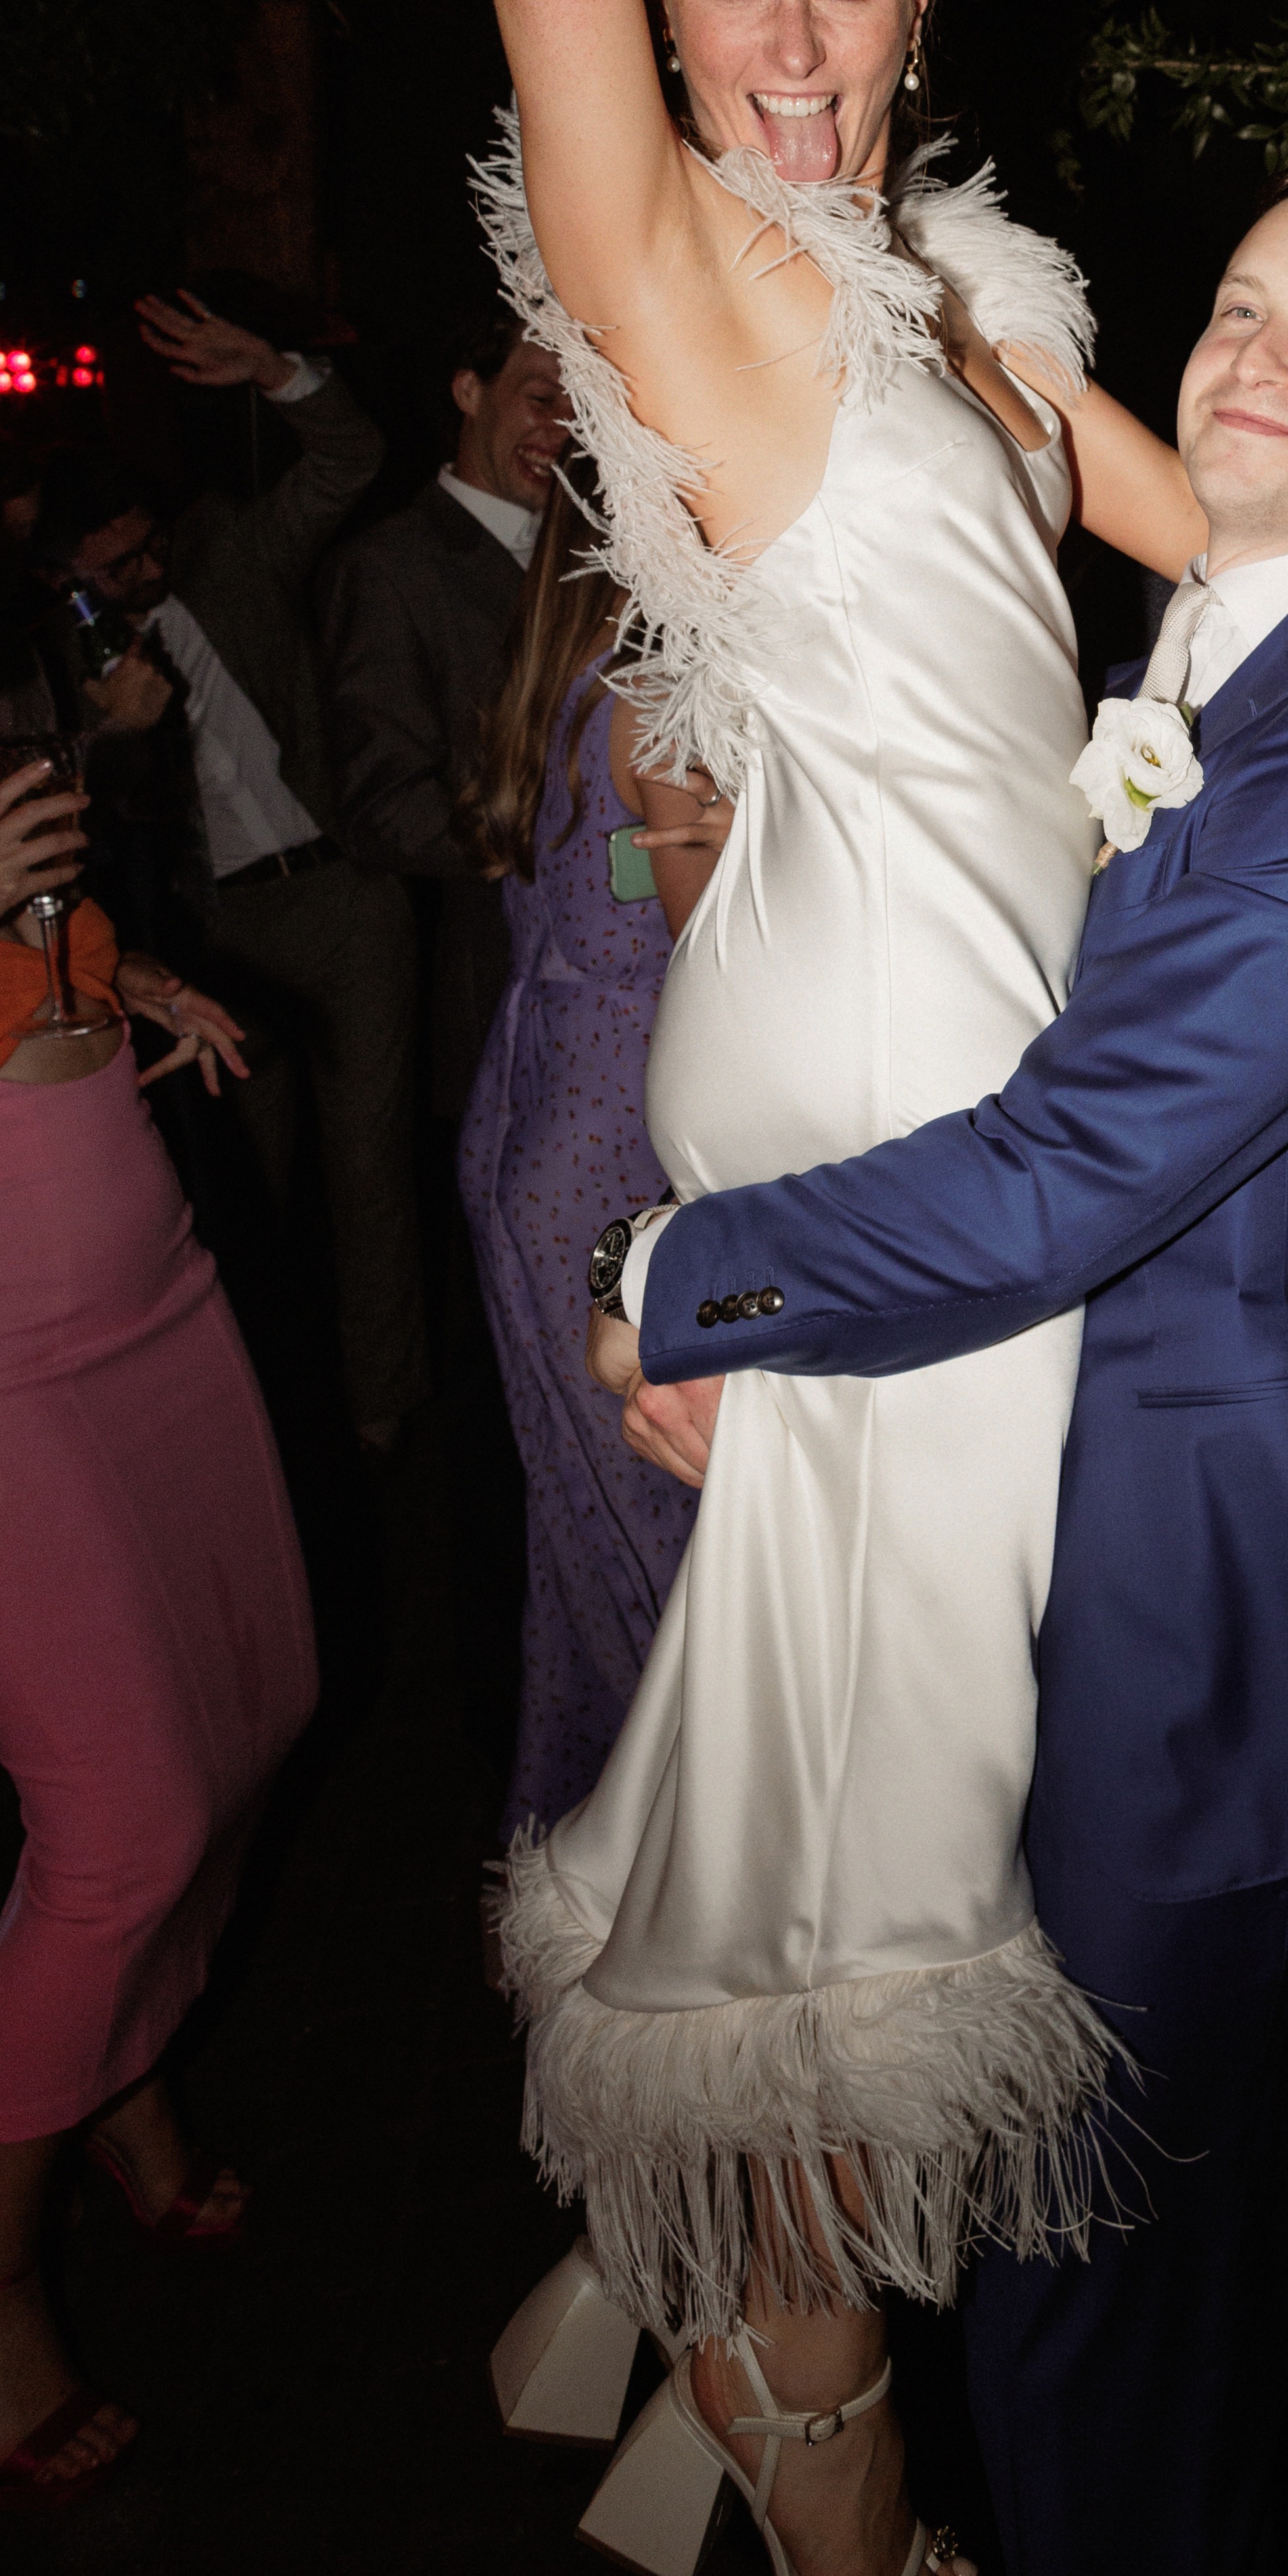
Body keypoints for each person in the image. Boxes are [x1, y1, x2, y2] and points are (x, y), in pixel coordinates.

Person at [135, 0, 1288, 2576]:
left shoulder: (975, 298)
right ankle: (834, 2510)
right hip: (844, 1222)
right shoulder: (705, 296)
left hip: (991, 1221)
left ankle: (793, 2437)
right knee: (799, 1995)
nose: (763, 47)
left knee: (882, 1974)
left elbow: (1215, 536)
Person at [582, 164, 1288, 2576]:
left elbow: (1059, 1180)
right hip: (1032, 1581)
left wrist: (678, 1274)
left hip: (1195, 1663)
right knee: (1047, 2318)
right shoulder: (1192, 677)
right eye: (1234, 306)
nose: (1258, 355)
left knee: (1118, 2373)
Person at [0, 754, 316, 2510]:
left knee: (261, 1703)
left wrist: (124, 980)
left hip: (147, 1273)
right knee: (125, 1833)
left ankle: (120, 2076)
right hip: (12, 1356)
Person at [29, 292, 424, 1442]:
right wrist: (104, 727)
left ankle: (388, 1424)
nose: (142, 576)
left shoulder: (232, 551)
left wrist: (273, 371)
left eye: (145, 548)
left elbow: (353, 455)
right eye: (109, 571)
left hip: (341, 899)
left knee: (372, 1176)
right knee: (249, 1192)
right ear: (65, 580)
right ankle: (272, 1425)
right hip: (211, 937)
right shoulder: (60, 662)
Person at [455, 465, 715, 1839]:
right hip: (618, 1139)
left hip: (527, 1119)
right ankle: (676, 1867)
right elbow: (729, 964)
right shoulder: (662, 702)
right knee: (652, 1536)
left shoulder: (555, 679)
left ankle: (565, 1860)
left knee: (582, 1525)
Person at [328, 313, 568, 1122]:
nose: (561, 430)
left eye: (581, 409)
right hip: (501, 961)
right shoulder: (390, 566)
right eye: (541, 399)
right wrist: (547, 835)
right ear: (469, 391)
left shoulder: (595, 548)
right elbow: (380, 809)